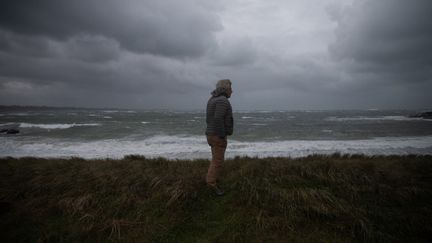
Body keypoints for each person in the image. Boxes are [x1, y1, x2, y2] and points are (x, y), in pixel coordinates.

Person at [205, 79, 234, 196]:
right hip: (217, 136)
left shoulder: (213, 99)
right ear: (225, 89)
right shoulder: (222, 101)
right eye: (231, 88)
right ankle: (211, 185)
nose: (232, 91)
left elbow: (209, 119)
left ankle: (213, 180)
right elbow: (218, 119)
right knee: (218, 162)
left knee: (215, 160)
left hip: (211, 134)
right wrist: (222, 135)